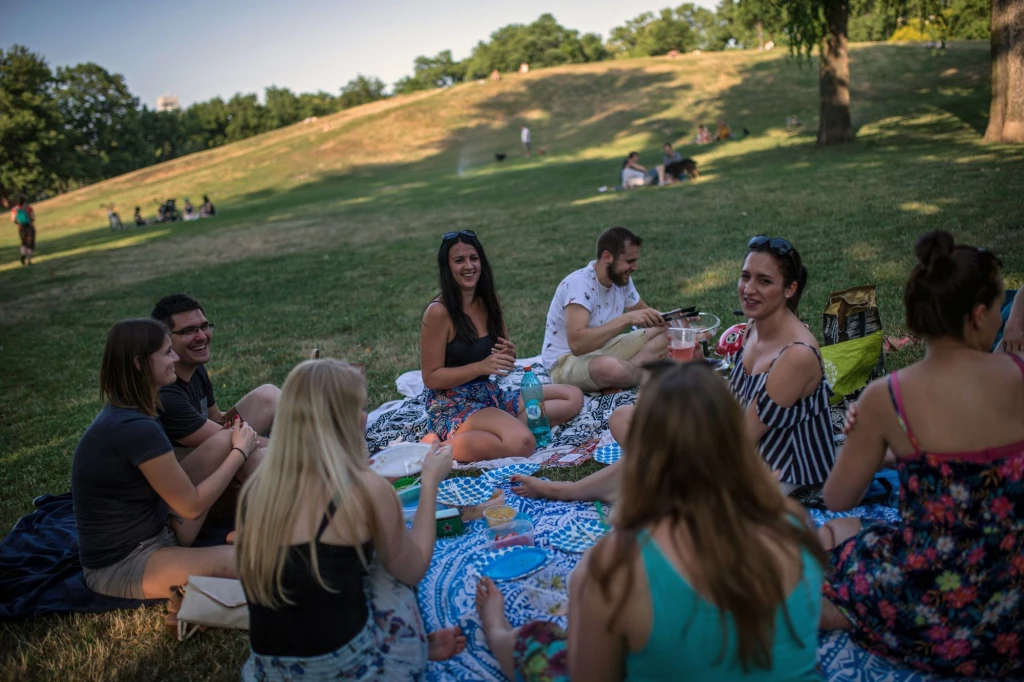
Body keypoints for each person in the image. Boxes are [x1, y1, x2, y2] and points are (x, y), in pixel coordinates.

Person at [475, 362, 826, 681]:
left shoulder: (616, 566)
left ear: (644, 453)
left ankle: (496, 630)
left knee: (540, 645)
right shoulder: (792, 524)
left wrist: (587, 587)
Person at [818, 232, 1024, 679]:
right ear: (978, 315)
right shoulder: (1019, 375)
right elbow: (974, 462)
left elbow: (836, 498)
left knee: (829, 532)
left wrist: (874, 445)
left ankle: (836, 613)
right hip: (1012, 614)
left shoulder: (886, 398)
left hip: (931, 604)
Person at [521, 234, 835, 500]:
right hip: (743, 444)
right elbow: (736, 401)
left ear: (789, 289)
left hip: (780, 474)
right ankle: (576, 489)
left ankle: (577, 490)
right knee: (633, 421)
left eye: (764, 281)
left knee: (665, 459)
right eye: (745, 276)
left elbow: (738, 439)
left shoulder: (796, 355)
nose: (749, 289)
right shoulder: (755, 326)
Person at [236, 359, 465, 680]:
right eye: (361, 408)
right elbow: (413, 569)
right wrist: (430, 483)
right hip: (347, 669)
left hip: (272, 670)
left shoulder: (259, 487)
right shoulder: (364, 490)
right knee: (387, 569)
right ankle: (412, 648)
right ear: (350, 420)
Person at [71, 319, 257, 600]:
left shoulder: (136, 409)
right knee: (254, 566)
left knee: (223, 438)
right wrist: (239, 453)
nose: (176, 357)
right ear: (139, 363)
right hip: (127, 563)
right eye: (168, 352)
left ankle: (284, 515)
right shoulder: (135, 427)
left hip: (160, 526)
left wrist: (234, 447)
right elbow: (191, 507)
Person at [421, 230, 583, 462]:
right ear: (447, 267)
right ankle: (435, 449)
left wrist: (507, 355)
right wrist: (481, 367)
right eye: (459, 260)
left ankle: (497, 432)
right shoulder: (438, 312)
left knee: (572, 396)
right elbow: (431, 377)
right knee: (524, 443)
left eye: (473, 258)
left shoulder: (488, 301)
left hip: (489, 394)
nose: (468, 266)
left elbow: (504, 360)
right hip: (452, 404)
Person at [151, 294, 280, 465]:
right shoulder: (166, 393)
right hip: (184, 470)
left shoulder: (195, 368)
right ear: (164, 338)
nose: (202, 336)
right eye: (188, 331)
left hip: (210, 444)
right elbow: (228, 440)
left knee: (267, 395)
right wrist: (288, 448)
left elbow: (216, 419)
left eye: (204, 326)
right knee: (251, 450)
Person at [541, 226, 668, 394]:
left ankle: (624, 377)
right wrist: (626, 319)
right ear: (607, 257)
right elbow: (577, 345)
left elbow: (647, 315)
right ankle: (646, 376)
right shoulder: (580, 285)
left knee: (671, 331)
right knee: (609, 368)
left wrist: (678, 318)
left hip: (604, 350)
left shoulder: (621, 280)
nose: (635, 267)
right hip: (566, 362)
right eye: (630, 261)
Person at [11, 194, 35, 266]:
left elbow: (13, 220)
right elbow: (33, 218)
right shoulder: (28, 208)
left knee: (23, 243)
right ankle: (29, 260)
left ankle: (23, 254)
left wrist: (19, 223)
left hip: (21, 228)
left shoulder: (15, 209)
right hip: (30, 227)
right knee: (30, 244)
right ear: (24, 201)